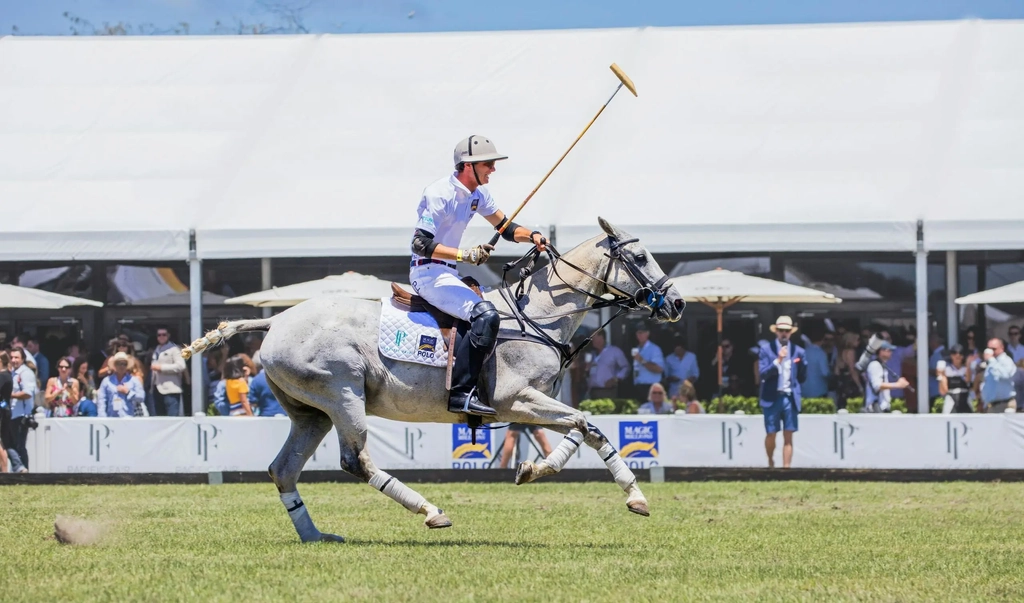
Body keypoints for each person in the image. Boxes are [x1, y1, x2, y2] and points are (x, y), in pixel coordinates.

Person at [409, 136, 548, 417]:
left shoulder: (478, 195)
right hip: (427, 274)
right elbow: (420, 243)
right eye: (488, 164)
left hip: (448, 273)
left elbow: (506, 227)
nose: (493, 170)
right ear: (467, 166)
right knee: (485, 314)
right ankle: (461, 394)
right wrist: (465, 255)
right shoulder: (439, 193)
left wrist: (531, 235)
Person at [757, 316, 806, 469]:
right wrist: (777, 360)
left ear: (791, 332)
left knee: (788, 434)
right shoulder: (766, 349)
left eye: (786, 331)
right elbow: (762, 373)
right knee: (771, 432)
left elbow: (802, 375)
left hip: (790, 396)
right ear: (776, 332)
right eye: (781, 331)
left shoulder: (799, 351)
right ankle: (771, 462)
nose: (784, 334)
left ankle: (786, 468)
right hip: (772, 396)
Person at [8, 348, 37, 472]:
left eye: (17, 358)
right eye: (12, 357)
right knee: (11, 444)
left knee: (19, 446)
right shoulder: (13, 373)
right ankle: (20, 469)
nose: (14, 360)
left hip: (21, 415)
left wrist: (10, 395)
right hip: (12, 414)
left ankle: (23, 470)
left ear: (23, 359)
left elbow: (28, 393)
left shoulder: (25, 373)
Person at [864, 342, 910, 413]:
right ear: (881, 351)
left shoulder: (881, 365)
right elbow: (877, 385)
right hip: (876, 409)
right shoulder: (875, 365)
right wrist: (898, 385)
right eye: (889, 350)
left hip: (881, 409)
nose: (891, 352)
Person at [150, 326, 186, 416]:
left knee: (172, 417)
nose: (161, 337)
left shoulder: (174, 349)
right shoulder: (156, 349)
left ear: (168, 336)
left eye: (164, 335)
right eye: (159, 335)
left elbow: (181, 366)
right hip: (157, 388)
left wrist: (161, 368)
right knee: (160, 418)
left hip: (171, 389)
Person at [96, 352, 145, 418]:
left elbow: (141, 397)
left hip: (129, 418)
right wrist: (102, 417)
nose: (122, 366)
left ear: (127, 366)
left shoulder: (134, 380)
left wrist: (128, 392)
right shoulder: (106, 381)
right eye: (119, 364)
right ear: (115, 365)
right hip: (111, 419)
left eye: (124, 364)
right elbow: (101, 400)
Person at [585, 330, 629, 400]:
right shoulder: (592, 354)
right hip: (592, 391)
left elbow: (625, 367)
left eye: (594, 338)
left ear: (602, 338)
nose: (592, 340)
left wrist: (616, 379)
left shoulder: (614, 351)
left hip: (607, 391)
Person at [980, 338, 1018, 413]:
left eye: (993, 349)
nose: (991, 352)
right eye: (989, 348)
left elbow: (1005, 375)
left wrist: (991, 360)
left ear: (1002, 348)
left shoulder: (1006, 360)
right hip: (991, 405)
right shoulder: (991, 363)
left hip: (1005, 404)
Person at [630, 326, 665, 403]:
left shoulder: (654, 349)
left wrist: (642, 360)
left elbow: (659, 369)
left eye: (641, 333)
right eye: (638, 333)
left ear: (647, 333)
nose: (639, 335)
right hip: (638, 386)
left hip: (651, 387)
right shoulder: (637, 349)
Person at [939, 344, 972, 414]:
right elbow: (943, 391)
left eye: (960, 353)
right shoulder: (946, 370)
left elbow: (968, 380)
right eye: (954, 353)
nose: (958, 355)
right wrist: (940, 375)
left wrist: (968, 365)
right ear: (951, 355)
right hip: (951, 398)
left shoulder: (966, 369)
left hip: (965, 398)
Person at [835, 331, 863, 410]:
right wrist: (859, 385)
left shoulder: (840, 352)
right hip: (849, 383)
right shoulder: (850, 352)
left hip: (842, 382)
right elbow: (852, 369)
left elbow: (836, 371)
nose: (859, 342)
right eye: (857, 340)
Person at [801, 329, 832, 399]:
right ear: (822, 340)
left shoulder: (803, 352)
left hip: (804, 390)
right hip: (819, 390)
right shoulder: (821, 353)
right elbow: (825, 373)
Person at [0, 351, 13, 472]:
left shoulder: (3, 376)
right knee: (3, 443)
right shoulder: (8, 375)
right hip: (5, 409)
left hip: (1, 411)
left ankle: (4, 471)